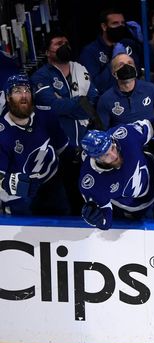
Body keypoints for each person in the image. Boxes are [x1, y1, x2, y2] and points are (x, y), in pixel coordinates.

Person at [31, 31, 100, 215]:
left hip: (86, 148)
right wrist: (80, 102)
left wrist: (66, 103)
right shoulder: (40, 77)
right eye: (58, 43)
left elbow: (94, 103)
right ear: (47, 52)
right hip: (59, 151)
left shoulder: (81, 70)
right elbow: (52, 107)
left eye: (66, 42)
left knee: (86, 200)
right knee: (62, 203)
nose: (64, 46)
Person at [0, 74, 69, 216]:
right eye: (17, 91)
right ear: (8, 97)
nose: (24, 95)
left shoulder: (46, 115)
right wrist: (7, 183)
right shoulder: (2, 133)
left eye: (27, 90)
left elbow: (64, 148)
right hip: (19, 195)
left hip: (51, 182)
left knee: (63, 224)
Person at [78, 122, 154, 230]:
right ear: (96, 158)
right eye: (106, 155)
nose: (114, 155)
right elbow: (105, 222)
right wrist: (96, 220)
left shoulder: (124, 135)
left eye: (112, 148)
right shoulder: (91, 183)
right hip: (138, 208)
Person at [79, 8, 154, 94]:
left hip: (137, 97)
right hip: (111, 101)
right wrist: (115, 61)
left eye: (122, 23)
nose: (120, 26)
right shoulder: (90, 52)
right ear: (104, 26)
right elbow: (96, 87)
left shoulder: (130, 44)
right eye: (115, 23)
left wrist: (143, 42)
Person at [96, 45, 154, 129]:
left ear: (135, 69)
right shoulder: (105, 99)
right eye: (121, 65)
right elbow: (102, 131)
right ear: (114, 72)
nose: (126, 67)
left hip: (150, 139)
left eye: (130, 63)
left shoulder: (150, 89)